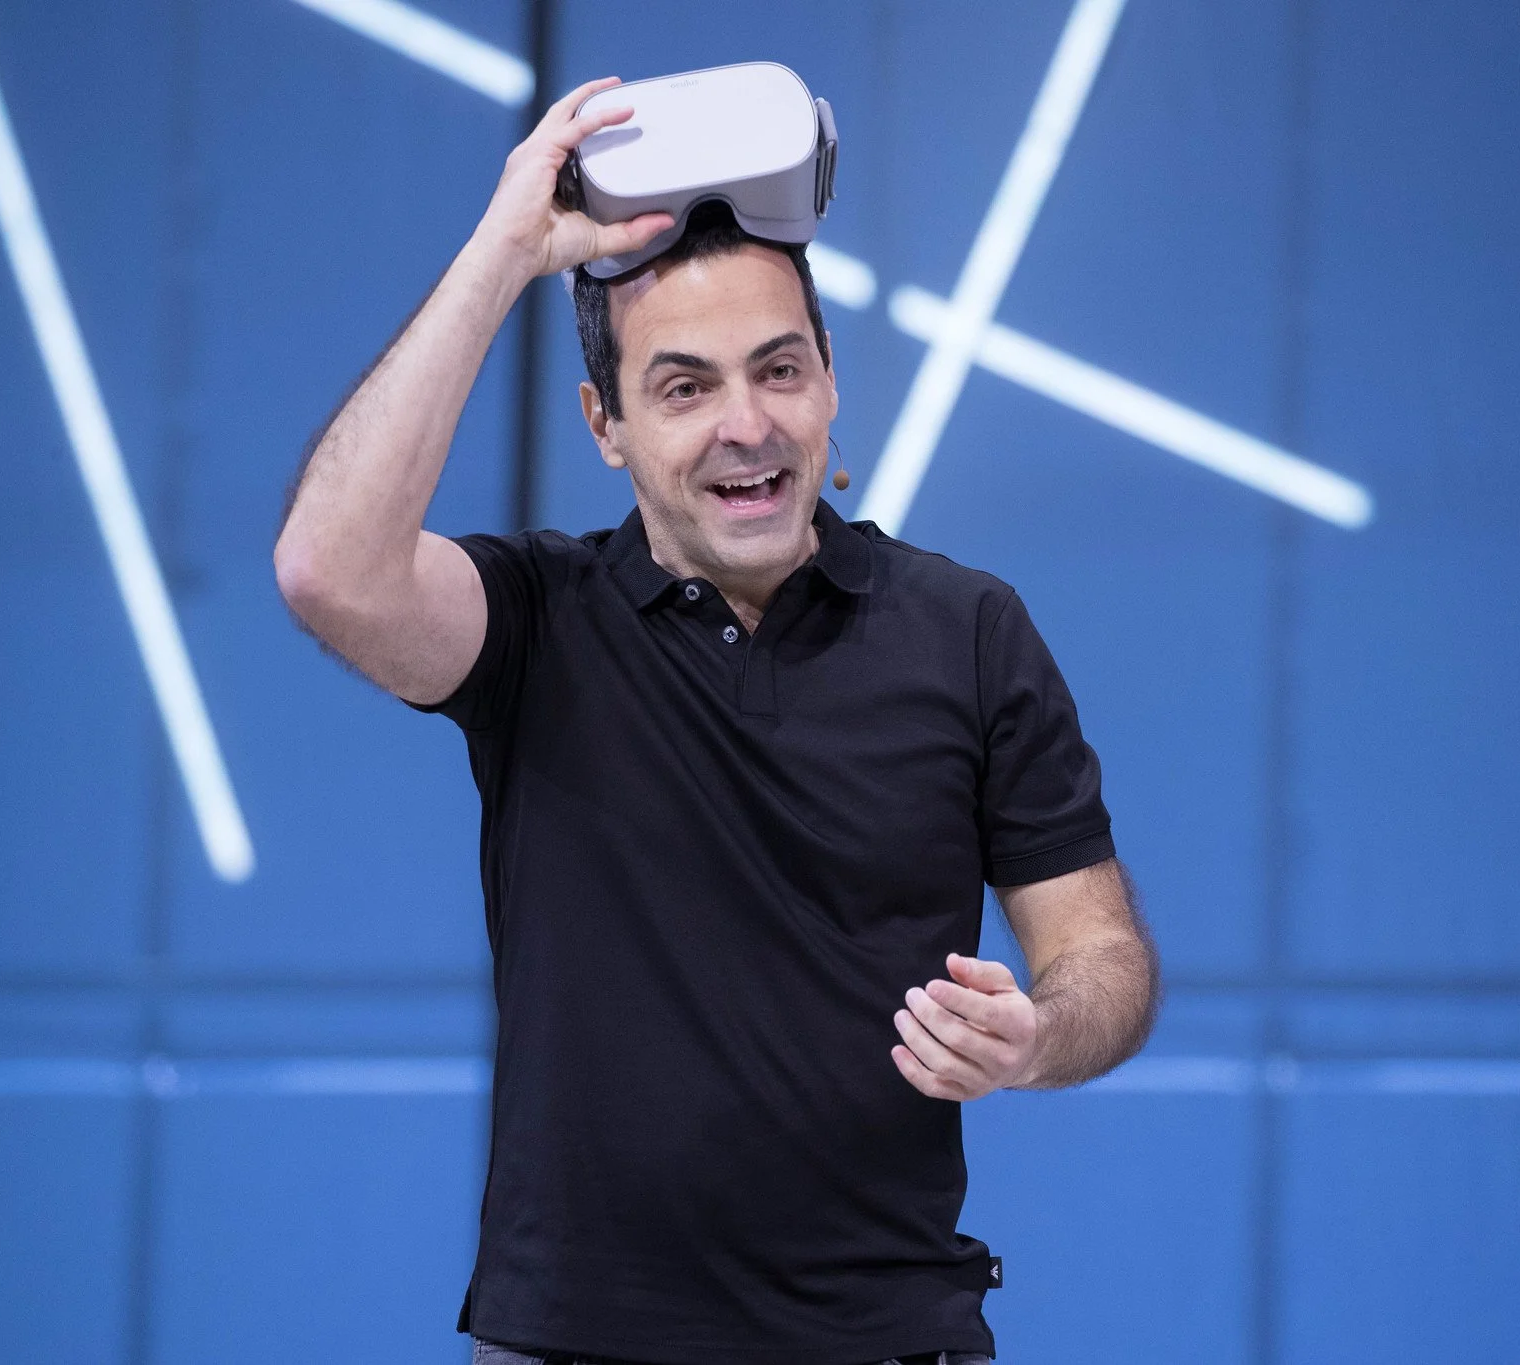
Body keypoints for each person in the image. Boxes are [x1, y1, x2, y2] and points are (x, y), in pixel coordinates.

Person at [274, 78, 1160, 1365]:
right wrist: (503, 253)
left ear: (829, 383)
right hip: (575, 1342)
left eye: (778, 370)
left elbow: (1101, 958)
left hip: (888, 1337)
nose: (747, 426)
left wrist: (1035, 1038)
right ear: (607, 426)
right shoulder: (536, 621)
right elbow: (327, 569)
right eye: (684, 387)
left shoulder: (967, 629)